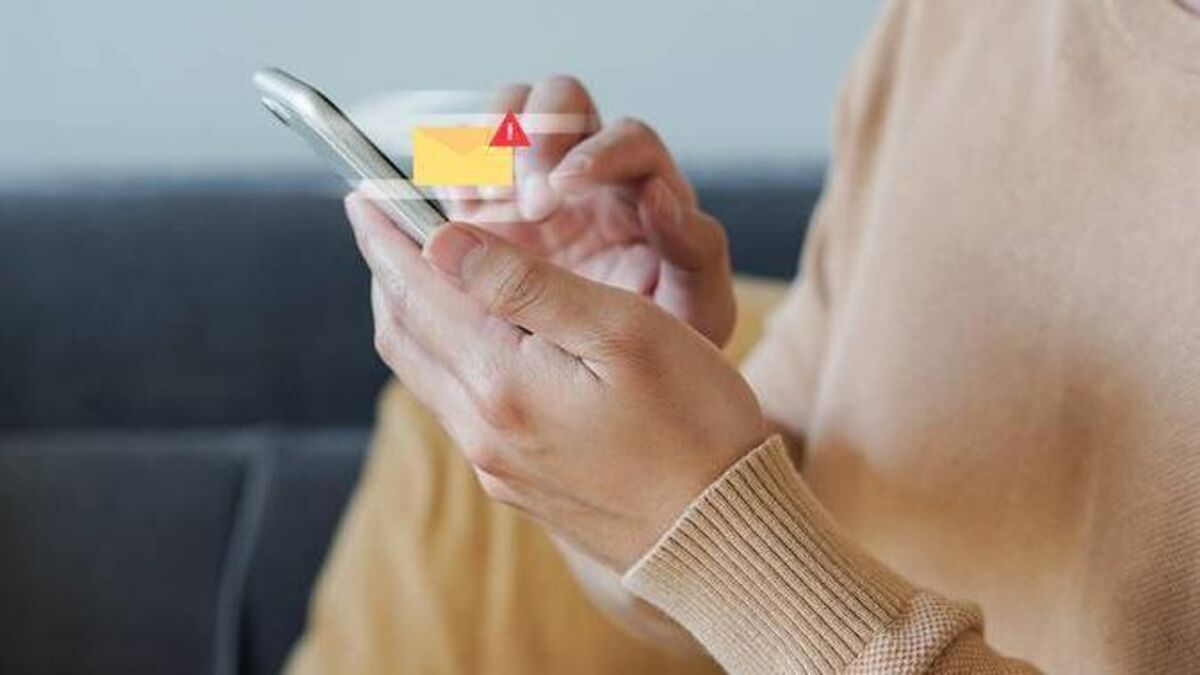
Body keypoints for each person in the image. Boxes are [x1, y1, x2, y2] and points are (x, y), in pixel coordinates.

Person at [288, 0, 1200, 672]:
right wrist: (647, 426)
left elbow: (756, 572)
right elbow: (762, 586)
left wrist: (703, 519)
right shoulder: (956, 21)